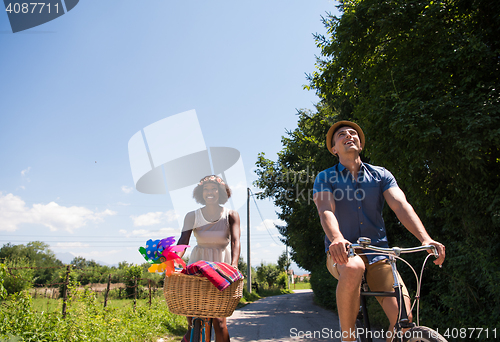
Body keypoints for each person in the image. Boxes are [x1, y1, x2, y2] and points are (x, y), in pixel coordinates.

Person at [312, 121, 446, 342]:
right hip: (343, 252)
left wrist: (425, 239)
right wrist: (337, 238)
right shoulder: (325, 178)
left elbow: (401, 206)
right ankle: (349, 338)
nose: (349, 135)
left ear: (361, 144)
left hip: (378, 254)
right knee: (353, 266)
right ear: (334, 149)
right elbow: (325, 209)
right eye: (341, 135)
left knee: (404, 318)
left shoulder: (381, 175)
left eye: (353, 133)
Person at [177, 175, 241, 342]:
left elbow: (235, 241)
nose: (210, 192)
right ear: (201, 193)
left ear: (221, 192)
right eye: (206, 189)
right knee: (192, 320)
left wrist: (234, 265)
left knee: (219, 322)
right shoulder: (192, 216)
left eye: (214, 189)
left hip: (222, 268)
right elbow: (183, 242)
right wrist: (174, 260)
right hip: (198, 266)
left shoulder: (231, 215)